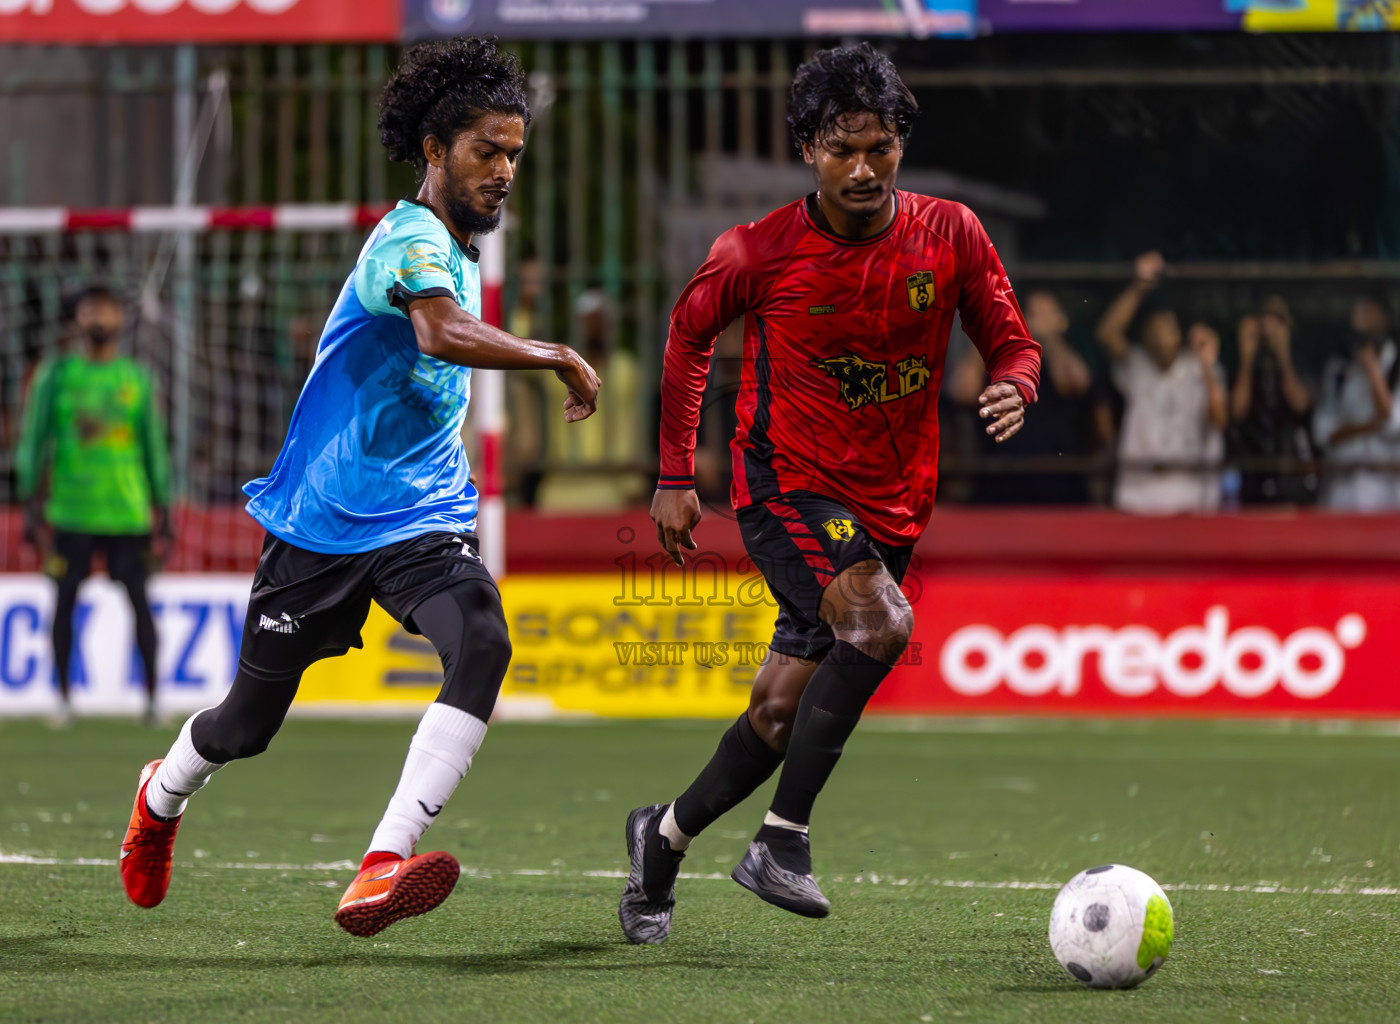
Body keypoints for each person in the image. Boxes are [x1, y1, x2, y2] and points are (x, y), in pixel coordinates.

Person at [116, 39, 602, 938]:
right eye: (485, 151)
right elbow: (439, 334)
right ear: (434, 150)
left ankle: (382, 862)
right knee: (245, 726)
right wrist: (553, 353)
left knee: (485, 641)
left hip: (423, 517)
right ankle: (163, 792)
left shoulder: (462, 246)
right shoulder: (407, 238)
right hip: (323, 520)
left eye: (513, 155)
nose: (503, 171)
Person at [621, 43, 1041, 943]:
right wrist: (672, 475)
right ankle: (783, 841)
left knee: (779, 709)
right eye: (841, 148)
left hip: (890, 507)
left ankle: (660, 840)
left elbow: (1012, 339)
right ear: (808, 148)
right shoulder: (757, 251)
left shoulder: (952, 234)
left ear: (900, 146)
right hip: (786, 487)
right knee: (883, 625)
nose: (862, 168)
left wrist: (1016, 380)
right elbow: (689, 336)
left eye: (880, 148)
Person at [15, 287, 172, 728]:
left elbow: (153, 447)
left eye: (105, 308)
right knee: (64, 603)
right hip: (70, 512)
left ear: (120, 319)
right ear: (76, 322)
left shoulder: (136, 378)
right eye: (89, 311)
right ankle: (63, 698)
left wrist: (166, 508)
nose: (97, 317)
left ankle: (154, 699)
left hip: (127, 512)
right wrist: (30, 502)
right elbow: (34, 442)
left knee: (140, 604)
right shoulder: (57, 376)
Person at [1094, 251, 1227, 514]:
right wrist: (1138, 288)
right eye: (1153, 327)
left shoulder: (1199, 365)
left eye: (1166, 325)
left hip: (1190, 499)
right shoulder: (1138, 364)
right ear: (1144, 335)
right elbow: (1107, 333)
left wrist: (1207, 365)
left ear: (1178, 332)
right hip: (1138, 499)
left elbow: (1220, 418)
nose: (1160, 332)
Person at [944, 289, 1095, 504]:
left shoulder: (1060, 359)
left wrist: (1047, 338)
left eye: (1046, 314)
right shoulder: (998, 359)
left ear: (1060, 320)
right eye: (1032, 314)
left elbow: (1078, 381)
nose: (1035, 321)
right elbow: (961, 391)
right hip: (999, 485)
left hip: (1060, 486)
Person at [532, 287, 648, 511]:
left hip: (613, 488)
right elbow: (519, 368)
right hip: (562, 487)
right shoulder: (557, 371)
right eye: (588, 319)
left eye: (600, 319)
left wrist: (633, 484)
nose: (594, 326)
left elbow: (633, 426)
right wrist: (526, 309)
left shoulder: (625, 370)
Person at [1313, 293, 1400, 511]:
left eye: (1369, 314)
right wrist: (1371, 425)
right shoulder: (1339, 372)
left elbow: (1394, 425)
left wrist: (1373, 370)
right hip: (1342, 494)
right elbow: (1323, 433)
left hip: (1393, 494)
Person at [1229, 295, 1315, 505]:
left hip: (1291, 475)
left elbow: (1301, 405)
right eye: (1263, 316)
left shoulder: (1299, 359)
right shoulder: (1246, 364)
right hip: (1253, 473)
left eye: (1277, 318)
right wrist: (1247, 356)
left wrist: (1283, 354)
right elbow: (1237, 411)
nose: (1269, 324)